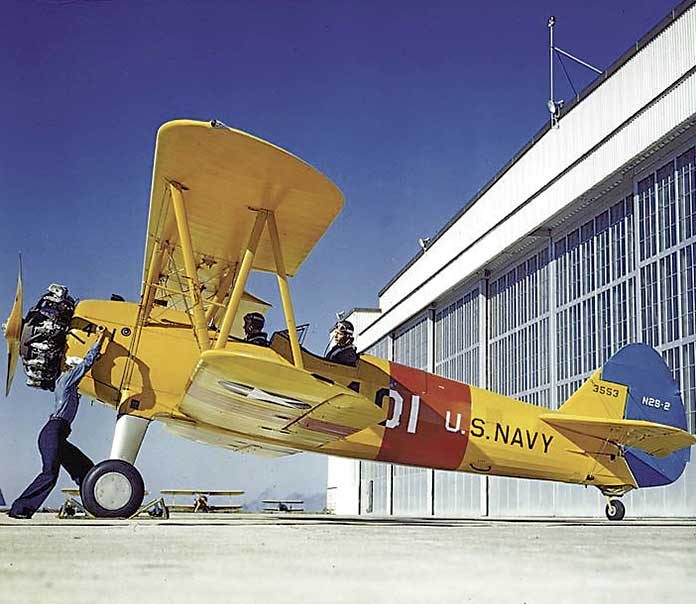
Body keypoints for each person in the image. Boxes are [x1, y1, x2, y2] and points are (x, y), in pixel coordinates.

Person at [8, 325, 108, 519]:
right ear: (70, 367)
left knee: (85, 469)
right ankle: (20, 508)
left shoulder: (67, 384)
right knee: (49, 473)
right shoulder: (66, 379)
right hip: (53, 432)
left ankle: (97, 506)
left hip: (58, 434)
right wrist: (100, 339)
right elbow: (86, 363)